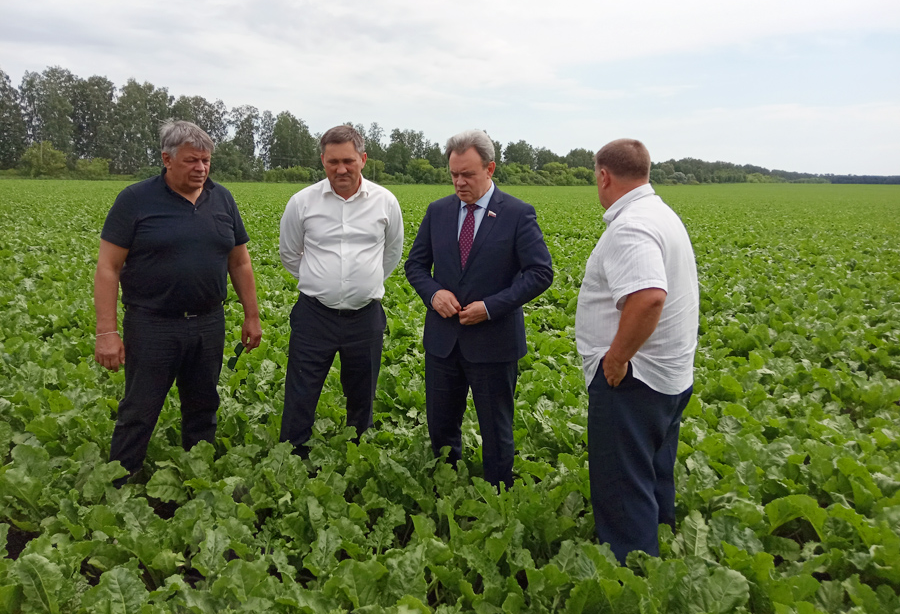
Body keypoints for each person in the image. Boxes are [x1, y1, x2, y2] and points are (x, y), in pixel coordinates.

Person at [94, 119, 262, 481]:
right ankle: (119, 482)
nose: (201, 168)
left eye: (206, 161)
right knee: (140, 409)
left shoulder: (222, 199)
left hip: (208, 322)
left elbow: (239, 261)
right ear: (167, 159)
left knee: (203, 405)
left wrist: (252, 315)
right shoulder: (135, 200)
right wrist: (106, 332)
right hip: (152, 324)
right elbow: (108, 267)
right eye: (191, 161)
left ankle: (197, 478)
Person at [405, 129, 553, 489]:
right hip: (443, 342)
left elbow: (540, 272)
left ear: (490, 169)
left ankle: (498, 495)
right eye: (454, 174)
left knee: (496, 429)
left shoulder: (517, 214)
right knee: (441, 425)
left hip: (493, 341)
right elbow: (416, 265)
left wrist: (490, 307)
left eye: (467, 174)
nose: (459, 182)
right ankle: (447, 489)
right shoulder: (438, 211)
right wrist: (434, 294)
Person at [575, 138, 699, 564]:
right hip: (668, 374)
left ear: (603, 176)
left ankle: (634, 570)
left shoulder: (631, 226)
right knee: (652, 469)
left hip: (634, 381)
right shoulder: (661, 214)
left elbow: (648, 297)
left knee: (622, 486)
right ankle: (659, 546)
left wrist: (616, 358)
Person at [279, 125, 403, 456]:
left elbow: (392, 252)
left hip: (365, 316)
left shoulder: (385, 202)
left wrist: (363, 283)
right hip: (314, 315)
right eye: (333, 162)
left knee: (363, 392)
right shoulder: (302, 202)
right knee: (301, 390)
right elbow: (290, 253)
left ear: (363, 159)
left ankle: (358, 452)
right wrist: (320, 281)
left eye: (348, 161)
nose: (341, 169)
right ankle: (294, 455)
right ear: (323, 161)